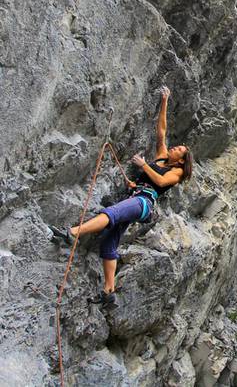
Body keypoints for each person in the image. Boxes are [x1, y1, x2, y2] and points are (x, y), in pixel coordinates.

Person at [49, 86, 193, 307]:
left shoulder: (177, 172)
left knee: (112, 213)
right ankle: (109, 293)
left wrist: (144, 165)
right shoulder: (163, 158)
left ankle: (72, 233)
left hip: (144, 203)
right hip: (137, 195)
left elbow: (162, 183)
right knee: (109, 244)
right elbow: (161, 132)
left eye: (179, 149)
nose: (174, 148)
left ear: (182, 160)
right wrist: (165, 100)